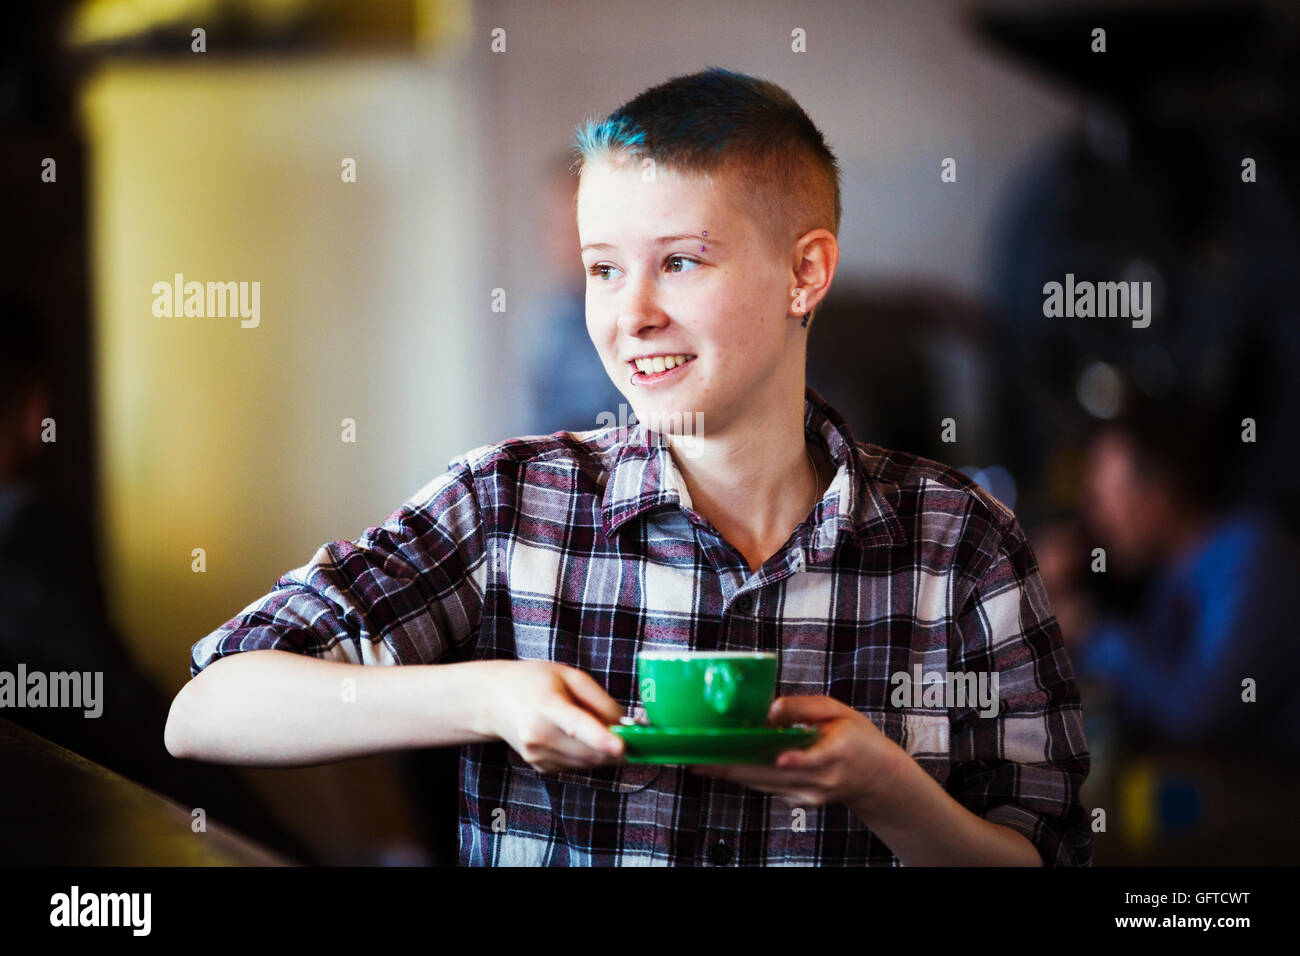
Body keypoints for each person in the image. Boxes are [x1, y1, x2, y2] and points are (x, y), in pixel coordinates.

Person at [167, 68, 1091, 866]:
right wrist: (485, 694)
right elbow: (208, 709)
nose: (629, 314)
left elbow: (1047, 852)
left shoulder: (962, 543)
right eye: (603, 269)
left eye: (680, 263)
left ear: (805, 273)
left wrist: (884, 787)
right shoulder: (509, 504)